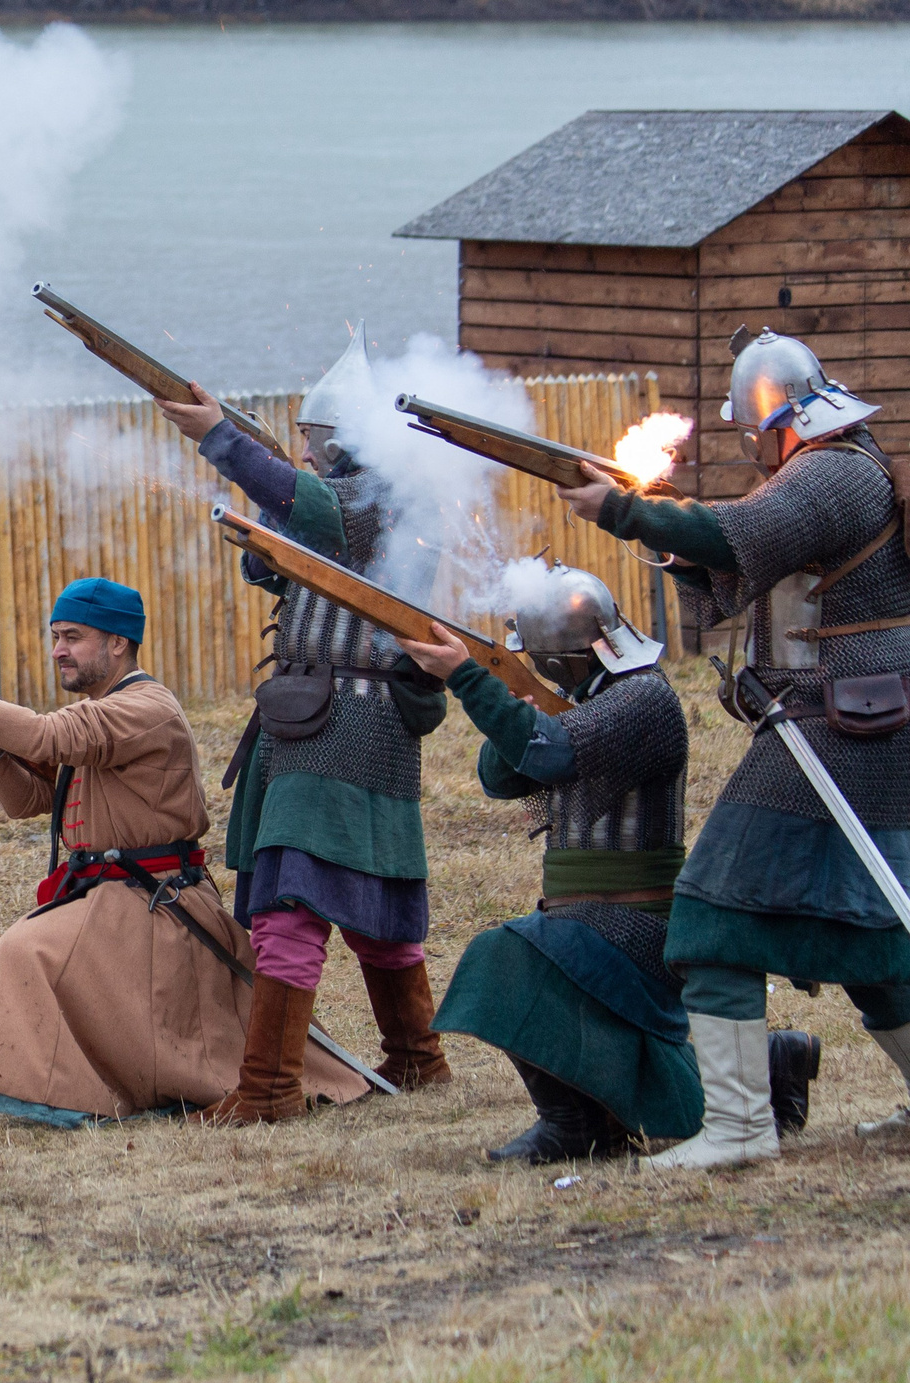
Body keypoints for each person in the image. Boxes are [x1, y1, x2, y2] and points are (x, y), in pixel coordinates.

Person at [556, 328, 910, 1168]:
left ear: (774, 421)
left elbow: (739, 531)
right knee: (872, 937)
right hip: (849, 724)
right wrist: (648, 519)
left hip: (834, 729)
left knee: (712, 916)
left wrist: (623, 508)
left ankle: (743, 1131)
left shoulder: (832, 472)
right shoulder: (835, 467)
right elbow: (736, 554)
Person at [0, 577, 369, 1126]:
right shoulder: (103, 710)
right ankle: (72, 1090)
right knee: (38, 950)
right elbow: (27, 801)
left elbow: (46, 737)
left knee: (26, 949)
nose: (58, 649)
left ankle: (73, 1096)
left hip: (158, 906)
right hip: (115, 901)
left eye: (73, 636)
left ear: (118, 643)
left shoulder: (144, 706)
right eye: (55, 636)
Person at [156, 331, 452, 1121]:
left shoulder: (380, 499)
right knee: (353, 902)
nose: (310, 454)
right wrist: (265, 498)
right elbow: (267, 558)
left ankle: (269, 1088)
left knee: (293, 905)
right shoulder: (356, 504)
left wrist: (221, 437)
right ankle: (417, 1057)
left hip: (347, 719)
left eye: (318, 441)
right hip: (326, 718)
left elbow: (310, 505)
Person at [399, 570, 772, 1162]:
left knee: (500, 958)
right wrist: (509, 701)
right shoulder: (586, 698)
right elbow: (501, 777)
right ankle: (773, 1063)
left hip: (635, 922)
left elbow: (550, 755)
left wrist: (471, 678)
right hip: (586, 918)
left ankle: (572, 1126)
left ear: (566, 654)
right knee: (535, 967)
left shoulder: (644, 699)